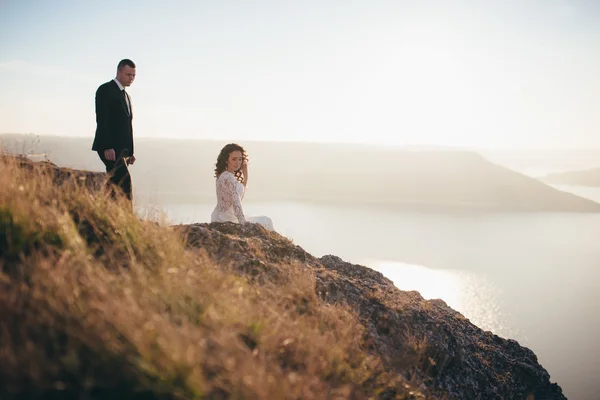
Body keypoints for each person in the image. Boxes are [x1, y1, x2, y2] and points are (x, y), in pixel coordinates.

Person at [91, 59, 137, 205]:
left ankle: (105, 214)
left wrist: (129, 152)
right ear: (119, 72)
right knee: (125, 182)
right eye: (128, 74)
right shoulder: (105, 90)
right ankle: (128, 219)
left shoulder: (126, 96)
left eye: (133, 75)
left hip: (122, 150)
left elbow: (126, 126)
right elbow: (102, 120)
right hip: (109, 147)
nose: (131, 78)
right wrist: (107, 146)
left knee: (113, 185)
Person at [210, 143, 274, 230]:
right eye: (234, 159)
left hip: (222, 217)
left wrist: (245, 175)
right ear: (226, 160)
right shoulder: (228, 178)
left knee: (264, 220)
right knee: (267, 221)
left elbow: (238, 197)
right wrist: (243, 223)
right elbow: (237, 203)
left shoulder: (223, 175)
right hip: (227, 220)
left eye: (240, 159)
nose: (238, 163)